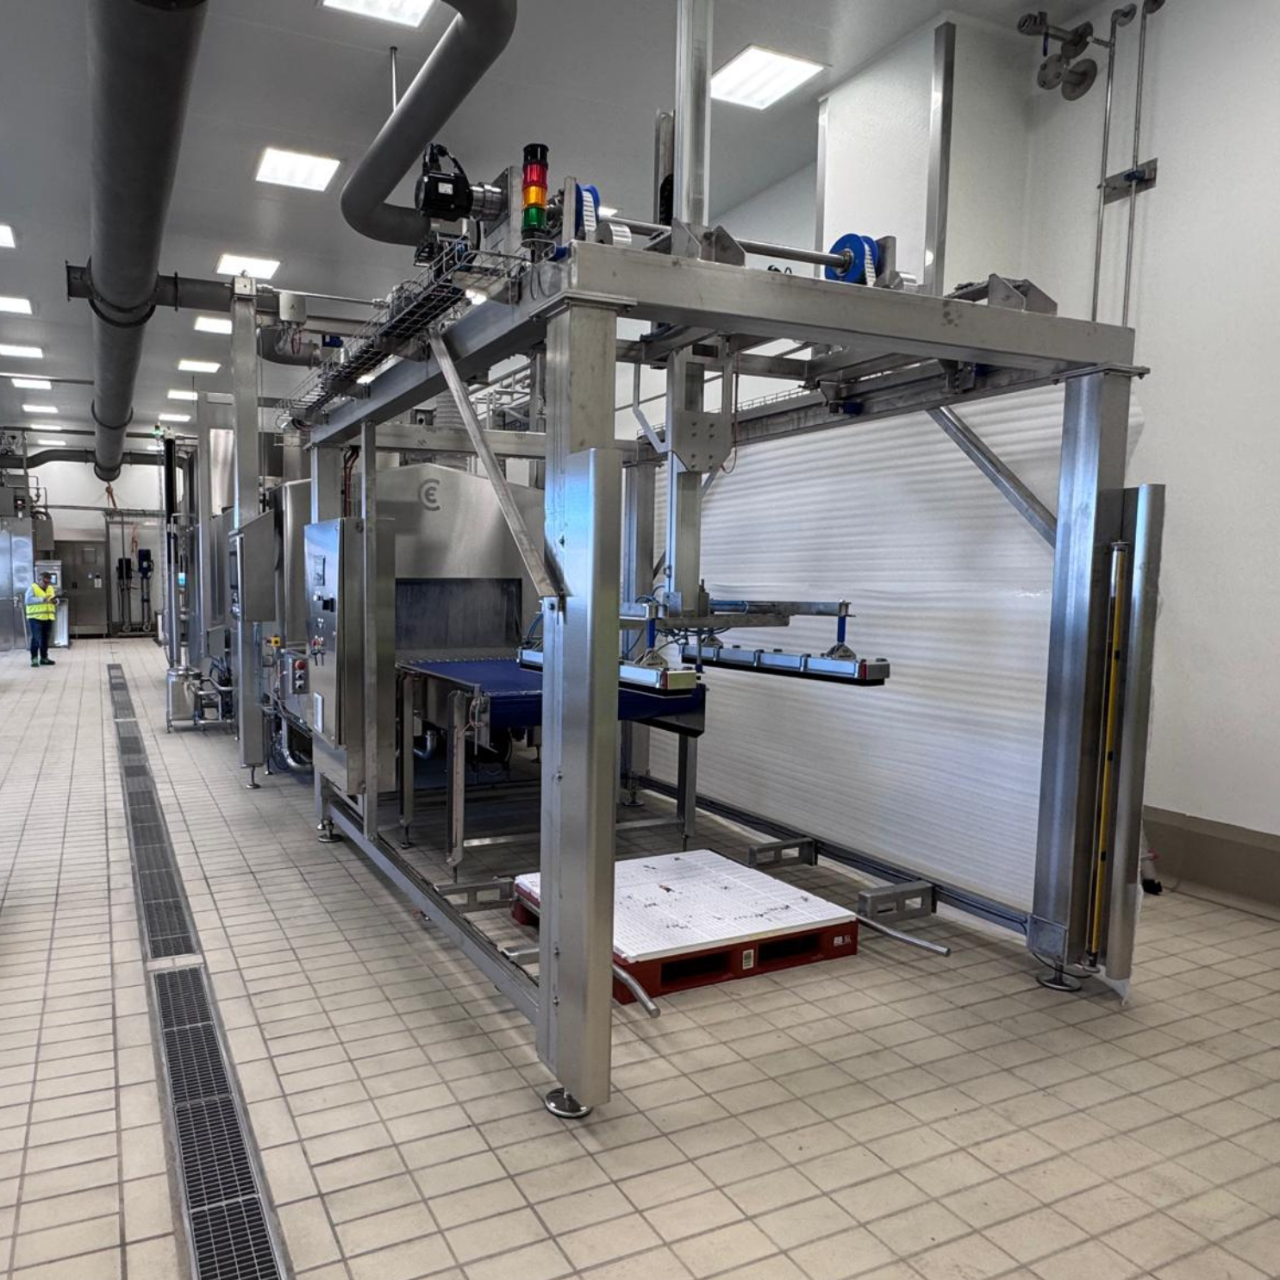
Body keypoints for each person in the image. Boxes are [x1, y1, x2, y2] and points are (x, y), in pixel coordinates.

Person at [24, 571, 57, 668]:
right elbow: (27, 600)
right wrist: (41, 599)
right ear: (39, 580)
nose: (47, 584)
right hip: (35, 617)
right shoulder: (33, 588)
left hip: (48, 617)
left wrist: (56, 601)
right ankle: (34, 658)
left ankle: (44, 658)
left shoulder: (50, 588)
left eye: (48, 582)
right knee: (36, 638)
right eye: (45, 582)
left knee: (45, 639)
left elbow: (53, 599)